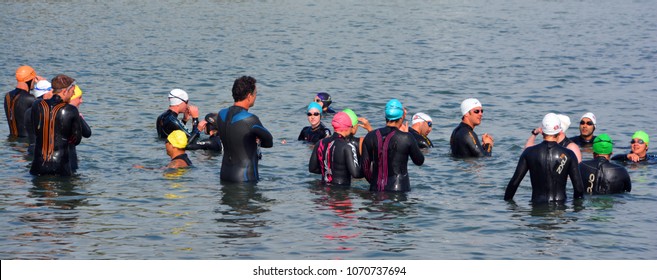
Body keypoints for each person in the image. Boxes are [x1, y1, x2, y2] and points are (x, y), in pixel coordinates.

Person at [504, 113, 585, 203]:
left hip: (537, 207)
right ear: (560, 131)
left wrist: (507, 205)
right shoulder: (569, 154)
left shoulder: (528, 153)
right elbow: (579, 189)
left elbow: (514, 183)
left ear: (542, 131)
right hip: (560, 207)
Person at [216, 76, 273, 182]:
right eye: (255, 93)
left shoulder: (221, 114)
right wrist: (258, 140)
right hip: (244, 178)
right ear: (249, 96)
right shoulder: (250, 119)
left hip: (224, 175)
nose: (256, 96)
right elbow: (269, 141)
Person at [362, 99, 424, 192]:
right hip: (399, 189)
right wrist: (409, 139)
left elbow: (365, 167)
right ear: (401, 118)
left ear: (385, 116)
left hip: (375, 188)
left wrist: (375, 182)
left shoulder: (370, 136)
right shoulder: (406, 137)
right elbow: (419, 161)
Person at [30, 75, 84, 176]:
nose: (72, 94)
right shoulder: (71, 110)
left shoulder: (36, 105)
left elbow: (36, 131)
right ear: (65, 91)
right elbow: (76, 140)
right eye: (72, 91)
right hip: (60, 167)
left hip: (38, 166)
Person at [309, 112, 363, 186]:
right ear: (347, 127)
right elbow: (356, 174)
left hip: (324, 188)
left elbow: (312, 168)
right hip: (341, 191)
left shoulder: (320, 143)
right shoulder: (347, 146)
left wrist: (327, 170)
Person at [4, 65, 43, 137]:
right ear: (29, 80)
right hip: (26, 142)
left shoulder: (7, 96)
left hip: (12, 139)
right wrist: (44, 83)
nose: (34, 82)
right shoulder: (30, 99)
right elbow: (48, 106)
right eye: (34, 79)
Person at [67, 85, 92, 172]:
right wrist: (79, 117)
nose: (81, 101)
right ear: (71, 98)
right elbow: (87, 133)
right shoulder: (73, 114)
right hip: (69, 157)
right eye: (79, 98)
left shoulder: (53, 110)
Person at [25, 80, 53, 155]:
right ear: (45, 94)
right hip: (44, 151)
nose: (54, 94)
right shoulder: (47, 110)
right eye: (51, 91)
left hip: (31, 149)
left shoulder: (28, 111)